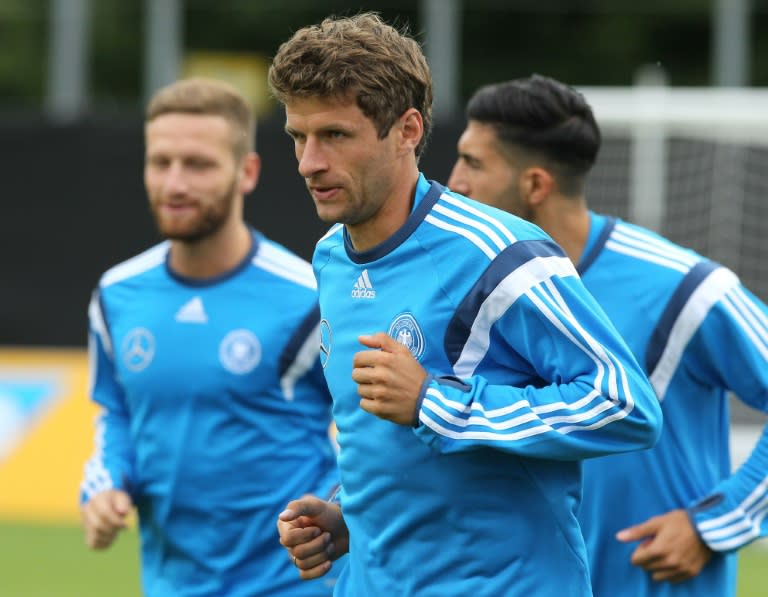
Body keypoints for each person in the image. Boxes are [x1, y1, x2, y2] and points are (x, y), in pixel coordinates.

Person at [267, 13, 662, 596]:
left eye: (336, 136)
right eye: (299, 137)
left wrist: (435, 403)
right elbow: (389, 442)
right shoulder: (331, 256)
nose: (309, 163)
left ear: (407, 130)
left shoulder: (501, 254)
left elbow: (626, 404)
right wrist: (349, 515)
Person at [446, 74, 768, 597]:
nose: (453, 181)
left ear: (535, 186)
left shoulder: (685, 288)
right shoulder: (470, 290)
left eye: (474, 164)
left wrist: (714, 525)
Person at [79, 77, 339, 597]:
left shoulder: (311, 295)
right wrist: (106, 481)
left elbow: (368, 437)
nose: (174, 183)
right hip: (170, 584)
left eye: (197, 164)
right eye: (161, 162)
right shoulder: (116, 295)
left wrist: (334, 515)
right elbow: (119, 414)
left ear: (247, 172)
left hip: (295, 586)